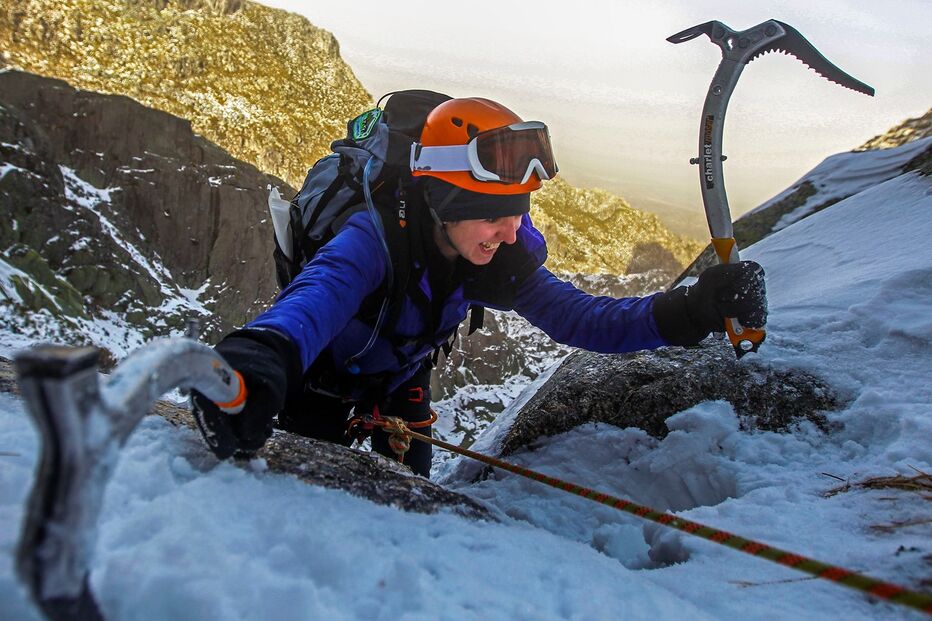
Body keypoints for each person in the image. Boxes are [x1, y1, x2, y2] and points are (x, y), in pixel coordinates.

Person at [192, 97, 767, 478]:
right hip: (319, 383)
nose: (511, 232)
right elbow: (314, 300)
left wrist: (694, 309)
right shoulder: (373, 240)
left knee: (411, 502)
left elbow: (581, 319)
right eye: (493, 215)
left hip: (401, 380)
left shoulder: (494, 255)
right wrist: (259, 355)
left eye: (519, 212)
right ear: (445, 203)